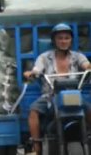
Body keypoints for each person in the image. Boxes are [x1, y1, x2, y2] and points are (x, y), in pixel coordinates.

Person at [23, 23, 91, 154]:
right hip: (50, 96)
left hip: (73, 96)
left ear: (71, 40)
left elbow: (86, 65)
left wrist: (89, 67)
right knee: (33, 111)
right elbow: (37, 68)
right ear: (54, 40)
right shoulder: (44, 57)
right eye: (60, 38)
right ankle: (36, 147)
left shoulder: (78, 56)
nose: (63, 41)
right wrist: (32, 73)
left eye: (66, 38)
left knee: (89, 109)